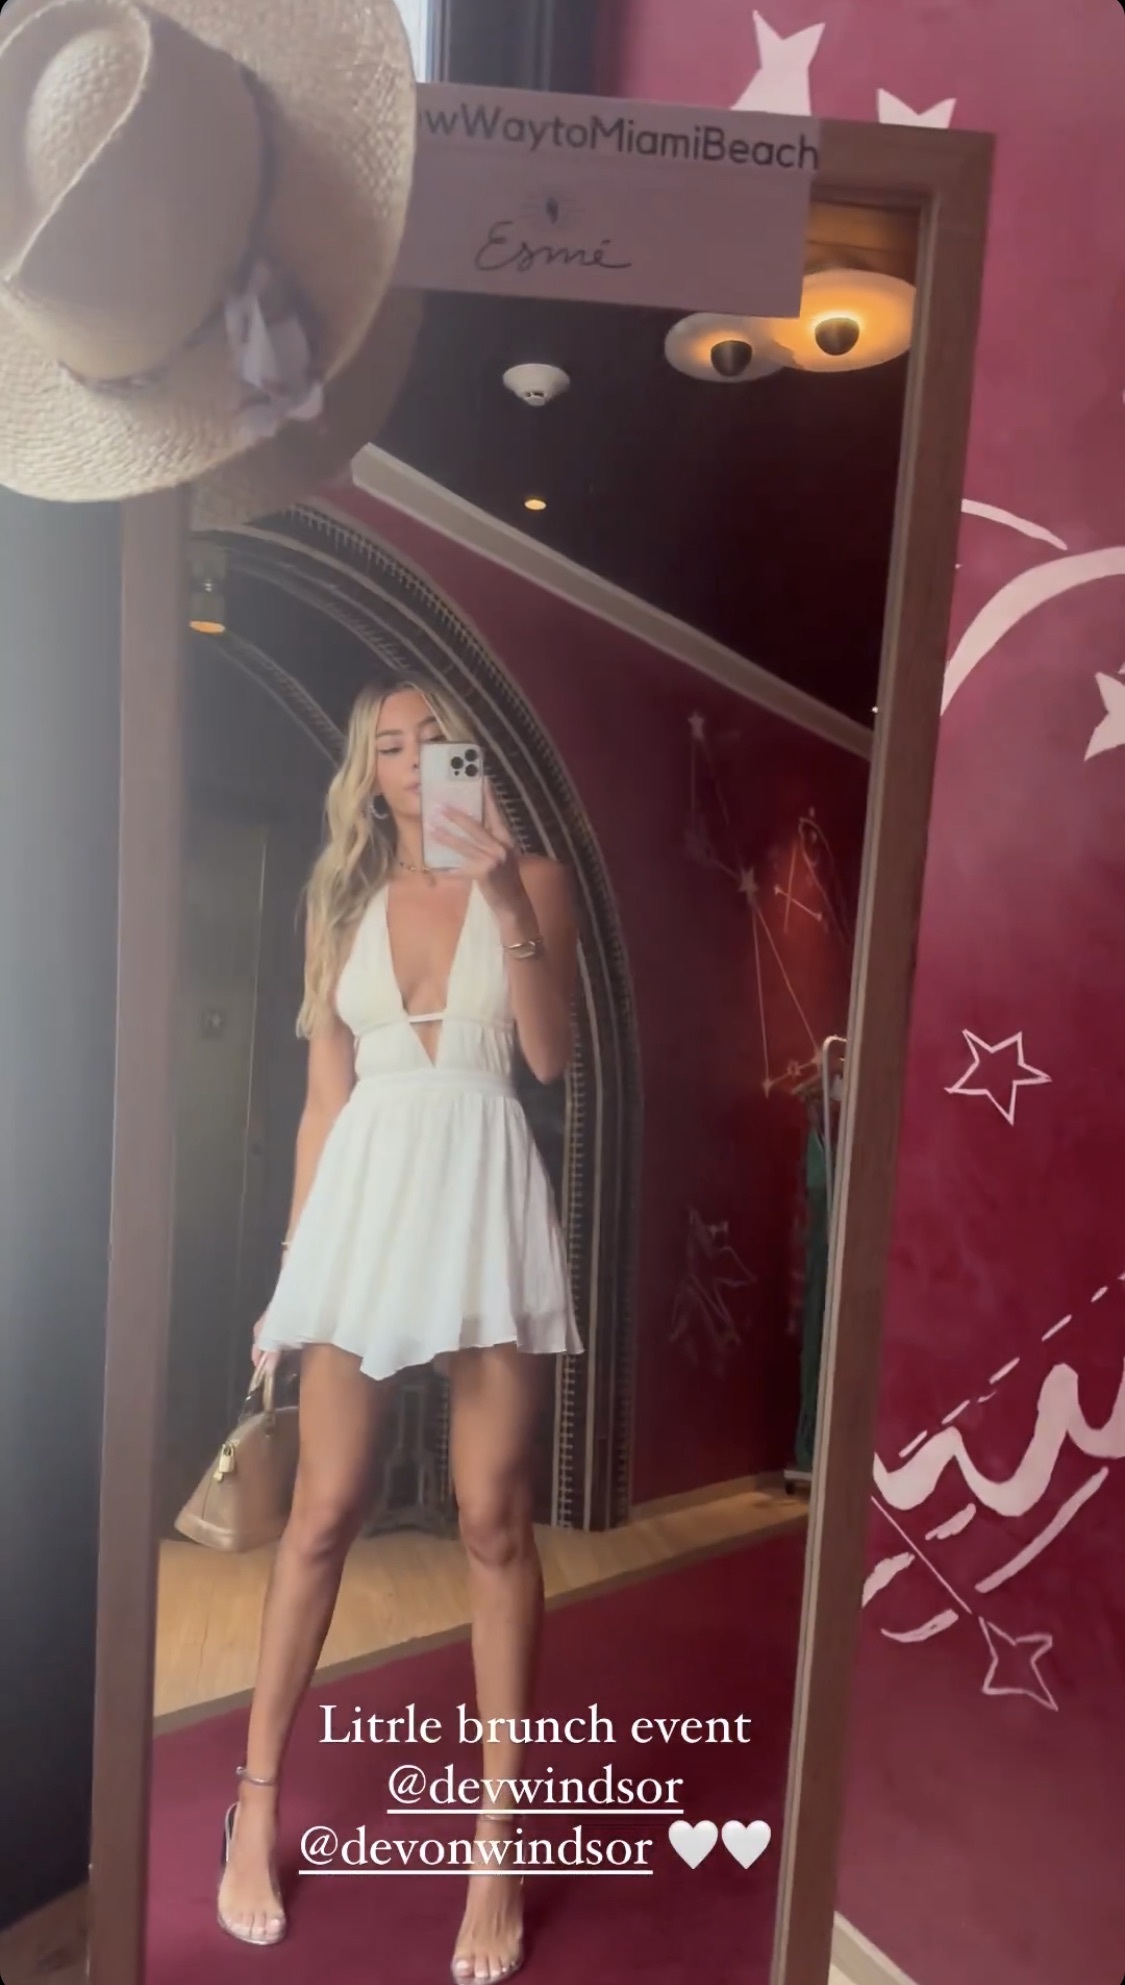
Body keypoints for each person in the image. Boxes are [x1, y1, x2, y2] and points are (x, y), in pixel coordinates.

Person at [216, 678, 583, 1982]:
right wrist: (289, 1275)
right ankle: (254, 1801)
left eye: (435, 738)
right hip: (364, 1207)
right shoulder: (341, 906)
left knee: (493, 1518)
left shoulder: (534, 881)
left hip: (484, 1196)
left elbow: (548, 1058)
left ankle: (497, 1841)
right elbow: (325, 1104)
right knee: (323, 1509)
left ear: (464, 754)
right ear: (367, 777)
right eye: (390, 744)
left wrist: (504, 906)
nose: (416, 759)